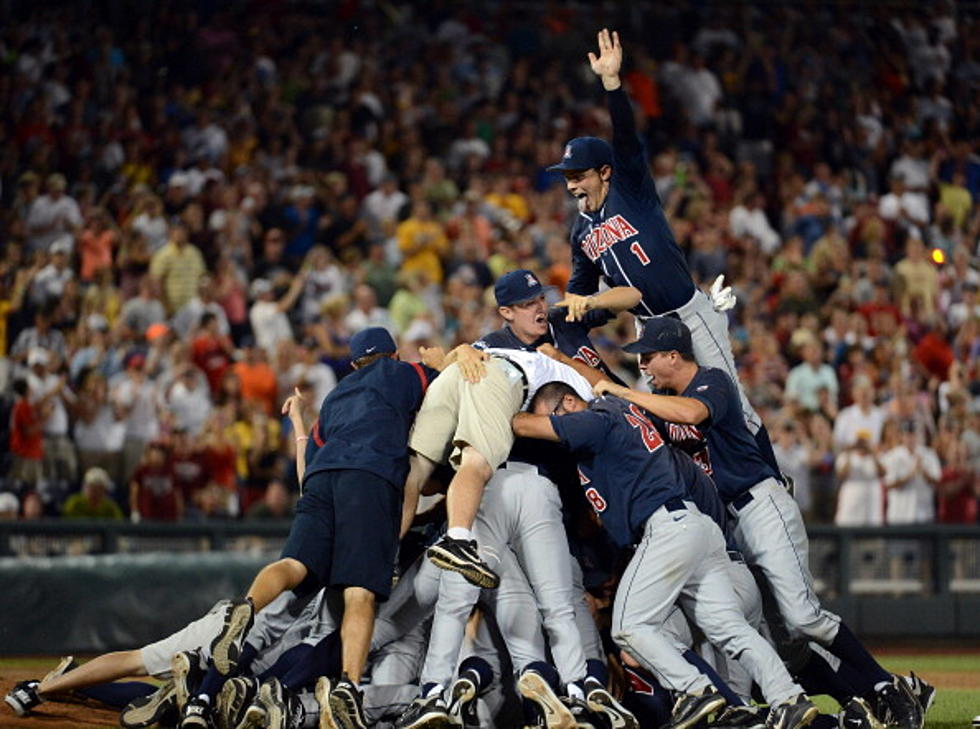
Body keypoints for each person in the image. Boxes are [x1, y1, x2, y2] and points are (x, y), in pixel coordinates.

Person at [590, 318, 924, 729]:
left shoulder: (711, 382)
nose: (642, 366)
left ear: (674, 355)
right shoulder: (661, 401)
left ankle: (885, 687)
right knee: (784, 647)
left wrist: (624, 390)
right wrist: (567, 362)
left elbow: (692, 413)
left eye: (648, 356)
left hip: (760, 505)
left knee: (803, 617)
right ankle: (850, 706)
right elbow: (617, 394)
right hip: (726, 526)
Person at [512, 383, 818, 729]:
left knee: (628, 628)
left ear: (568, 402)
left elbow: (525, 425)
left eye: (555, 416)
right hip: (694, 527)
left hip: (667, 528)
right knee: (728, 627)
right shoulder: (616, 414)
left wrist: (501, 406)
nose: (556, 431)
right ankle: (788, 697)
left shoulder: (597, 417)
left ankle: (694, 689)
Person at [194, 328, 450, 729]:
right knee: (360, 592)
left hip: (321, 478)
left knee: (294, 564)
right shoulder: (399, 373)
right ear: (393, 355)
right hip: (369, 475)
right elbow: (448, 379)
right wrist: (439, 361)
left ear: (352, 365)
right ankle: (347, 686)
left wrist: (298, 423)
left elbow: (309, 463)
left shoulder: (335, 397)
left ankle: (244, 609)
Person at [551, 29, 780, 476]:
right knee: (653, 417)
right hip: (649, 331)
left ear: (603, 172)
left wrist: (612, 86)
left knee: (732, 402)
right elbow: (587, 299)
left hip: (689, 315)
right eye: (566, 176)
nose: (572, 184)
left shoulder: (630, 191)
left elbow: (628, 141)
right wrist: (574, 311)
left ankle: (772, 476)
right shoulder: (580, 231)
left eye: (579, 174)